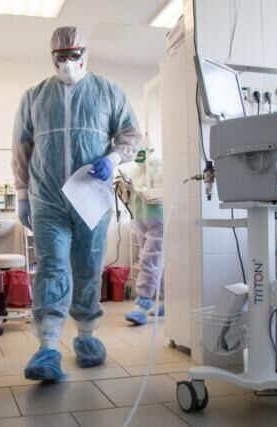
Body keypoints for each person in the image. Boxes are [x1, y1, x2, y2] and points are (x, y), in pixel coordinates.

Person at [11, 26, 141, 381]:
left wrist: (112, 159)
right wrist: (22, 194)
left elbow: (131, 134)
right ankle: (47, 348)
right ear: (51, 56)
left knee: (87, 267)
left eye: (73, 55)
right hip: (47, 198)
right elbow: (22, 146)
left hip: (90, 197)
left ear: (85, 54)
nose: (67, 62)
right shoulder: (34, 97)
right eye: (60, 56)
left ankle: (86, 338)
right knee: (51, 267)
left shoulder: (108, 92)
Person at [118, 145, 165, 326]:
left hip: (158, 220)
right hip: (140, 221)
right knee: (154, 262)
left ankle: (142, 307)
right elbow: (133, 198)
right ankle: (165, 301)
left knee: (149, 261)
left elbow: (159, 196)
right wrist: (126, 190)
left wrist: (136, 190)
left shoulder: (160, 166)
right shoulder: (136, 170)